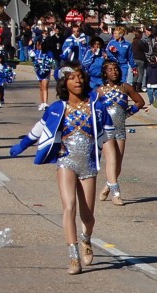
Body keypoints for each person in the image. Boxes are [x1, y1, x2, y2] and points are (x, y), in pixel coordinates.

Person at [9, 63, 115, 274]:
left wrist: (111, 163)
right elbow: (38, 129)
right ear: (64, 83)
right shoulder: (57, 108)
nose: (77, 81)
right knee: (69, 207)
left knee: (88, 215)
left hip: (89, 164)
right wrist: (21, 146)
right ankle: (73, 256)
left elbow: (108, 136)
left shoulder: (97, 107)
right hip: (65, 161)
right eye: (72, 78)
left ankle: (86, 238)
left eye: (80, 77)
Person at [97, 60, 145, 205]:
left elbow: (140, 102)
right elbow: (93, 108)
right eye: (110, 70)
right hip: (106, 130)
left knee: (118, 163)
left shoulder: (126, 87)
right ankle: (116, 193)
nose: (114, 72)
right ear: (105, 73)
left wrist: (128, 113)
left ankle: (108, 185)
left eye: (116, 69)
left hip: (120, 129)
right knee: (111, 160)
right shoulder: (99, 91)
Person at [30, 39, 54, 111]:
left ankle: (45, 103)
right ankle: (42, 102)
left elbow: (51, 61)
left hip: (46, 72)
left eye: (39, 44)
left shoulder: (49, 53)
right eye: (37, 45)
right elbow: (31, 54)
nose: (37, 46)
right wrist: (30, 45)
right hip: (38, 72)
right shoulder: (37, 52)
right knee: (41, 87)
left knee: (45, 86)